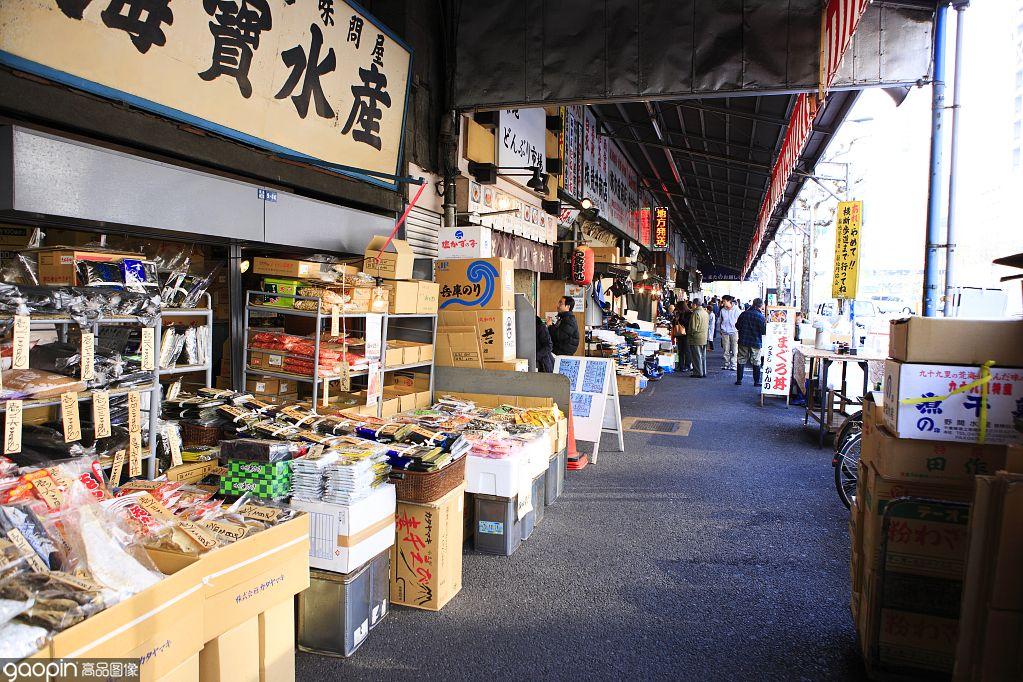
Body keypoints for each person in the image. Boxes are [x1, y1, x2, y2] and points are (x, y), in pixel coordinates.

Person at [734, 297, 767, 386]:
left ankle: (739, 380)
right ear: (760, 306)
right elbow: (764, 331)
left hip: (743, 340)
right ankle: (756, 382)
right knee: (756, 361)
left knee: (741, 359)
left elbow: (737, 326)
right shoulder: (761, 317)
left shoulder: (744, 314)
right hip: (755, 342)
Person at [686, 299, 709, 378]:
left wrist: (689, 334)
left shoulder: (696, 313)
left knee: (696, 356)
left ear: (695, 304)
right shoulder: (705, 313)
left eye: (692, 304)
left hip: (696, 338)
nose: (691, 306)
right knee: (702, 356)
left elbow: (693, 327)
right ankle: (703, 371)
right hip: (704, 337)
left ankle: (698, 372)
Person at [718, 295, 741, 371]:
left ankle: (734, 365)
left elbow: (740, 320)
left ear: (728, 301)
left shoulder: (736, 310)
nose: (723, 303)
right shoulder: (722, 310)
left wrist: (739, 330)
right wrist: (720, 329)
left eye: (724, 301)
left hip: (734, 331)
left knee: (735, 349)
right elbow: (720, 320)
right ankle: (726, 364)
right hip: (725, 332)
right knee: (725, 349)